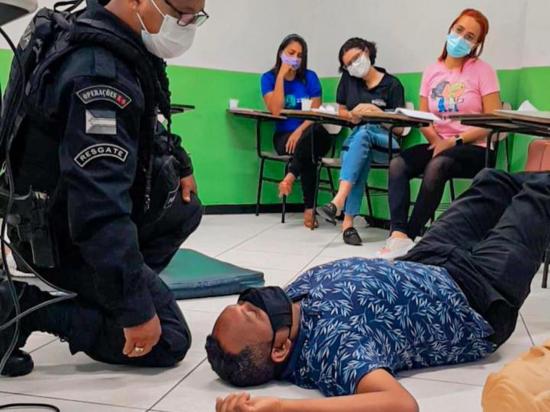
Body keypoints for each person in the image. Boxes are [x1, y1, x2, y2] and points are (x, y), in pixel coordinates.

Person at [206, 168, 550, 412]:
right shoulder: (331, 352)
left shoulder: (290, 304)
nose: (255, 298)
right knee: (540, 194)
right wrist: (281, 408)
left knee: (491, 182)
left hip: (426, 262)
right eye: (252, 312)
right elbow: (400, 404)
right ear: (280, 349)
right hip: (476, 299)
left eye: (242, 303)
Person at [0, 0, 208, 377]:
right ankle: (21, 307)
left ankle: (108, 286)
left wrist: (183, 165)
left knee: (185, 208)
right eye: (182, 13)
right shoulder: (100, 75)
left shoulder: (95, 35)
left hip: (45, 221)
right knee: (170, 339)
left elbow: (145, 127)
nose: (188, 25)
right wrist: (135, 310)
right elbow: (98, 209)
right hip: (65, 242)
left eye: (196, 16)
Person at [379, 8, 502, 259]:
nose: (461, 38)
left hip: (474, 147)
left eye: (470, 36)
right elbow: (425, 118)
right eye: (459, 30)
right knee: (398, 164)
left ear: (477, 44)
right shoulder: (432, 70)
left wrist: (453, 141)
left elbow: (493, 121)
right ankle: (398, 234)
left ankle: (412, 237)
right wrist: (437, 140)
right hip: (440, 143)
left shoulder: (483, 71)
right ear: (450, 29)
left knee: (438, 165)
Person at [317, 38, 405, 246]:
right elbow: (341, 111)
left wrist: (380, 114)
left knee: (363, 137)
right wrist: (352, 116)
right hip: (359, 142)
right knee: (360, 151)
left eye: (356, 58)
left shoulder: (392, 84)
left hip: (387, 143)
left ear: (367, 52)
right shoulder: (349, 80)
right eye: (348, 64)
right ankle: (348, 225)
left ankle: (338, 202)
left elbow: (401, 128)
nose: (353, 66)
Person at [261, 34, 332, 229]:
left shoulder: (310, 77)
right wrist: (281, 78)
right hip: (284, 137)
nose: (295, 58)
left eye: (299, 55)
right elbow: (275, 109)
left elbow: (316, 113)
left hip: (311, 132)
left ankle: (290, 176)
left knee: (311, 139)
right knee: (309, 154)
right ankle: (310, 210)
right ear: (281, 53)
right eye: (291, 53)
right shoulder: (268, 78)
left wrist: (300, 131)